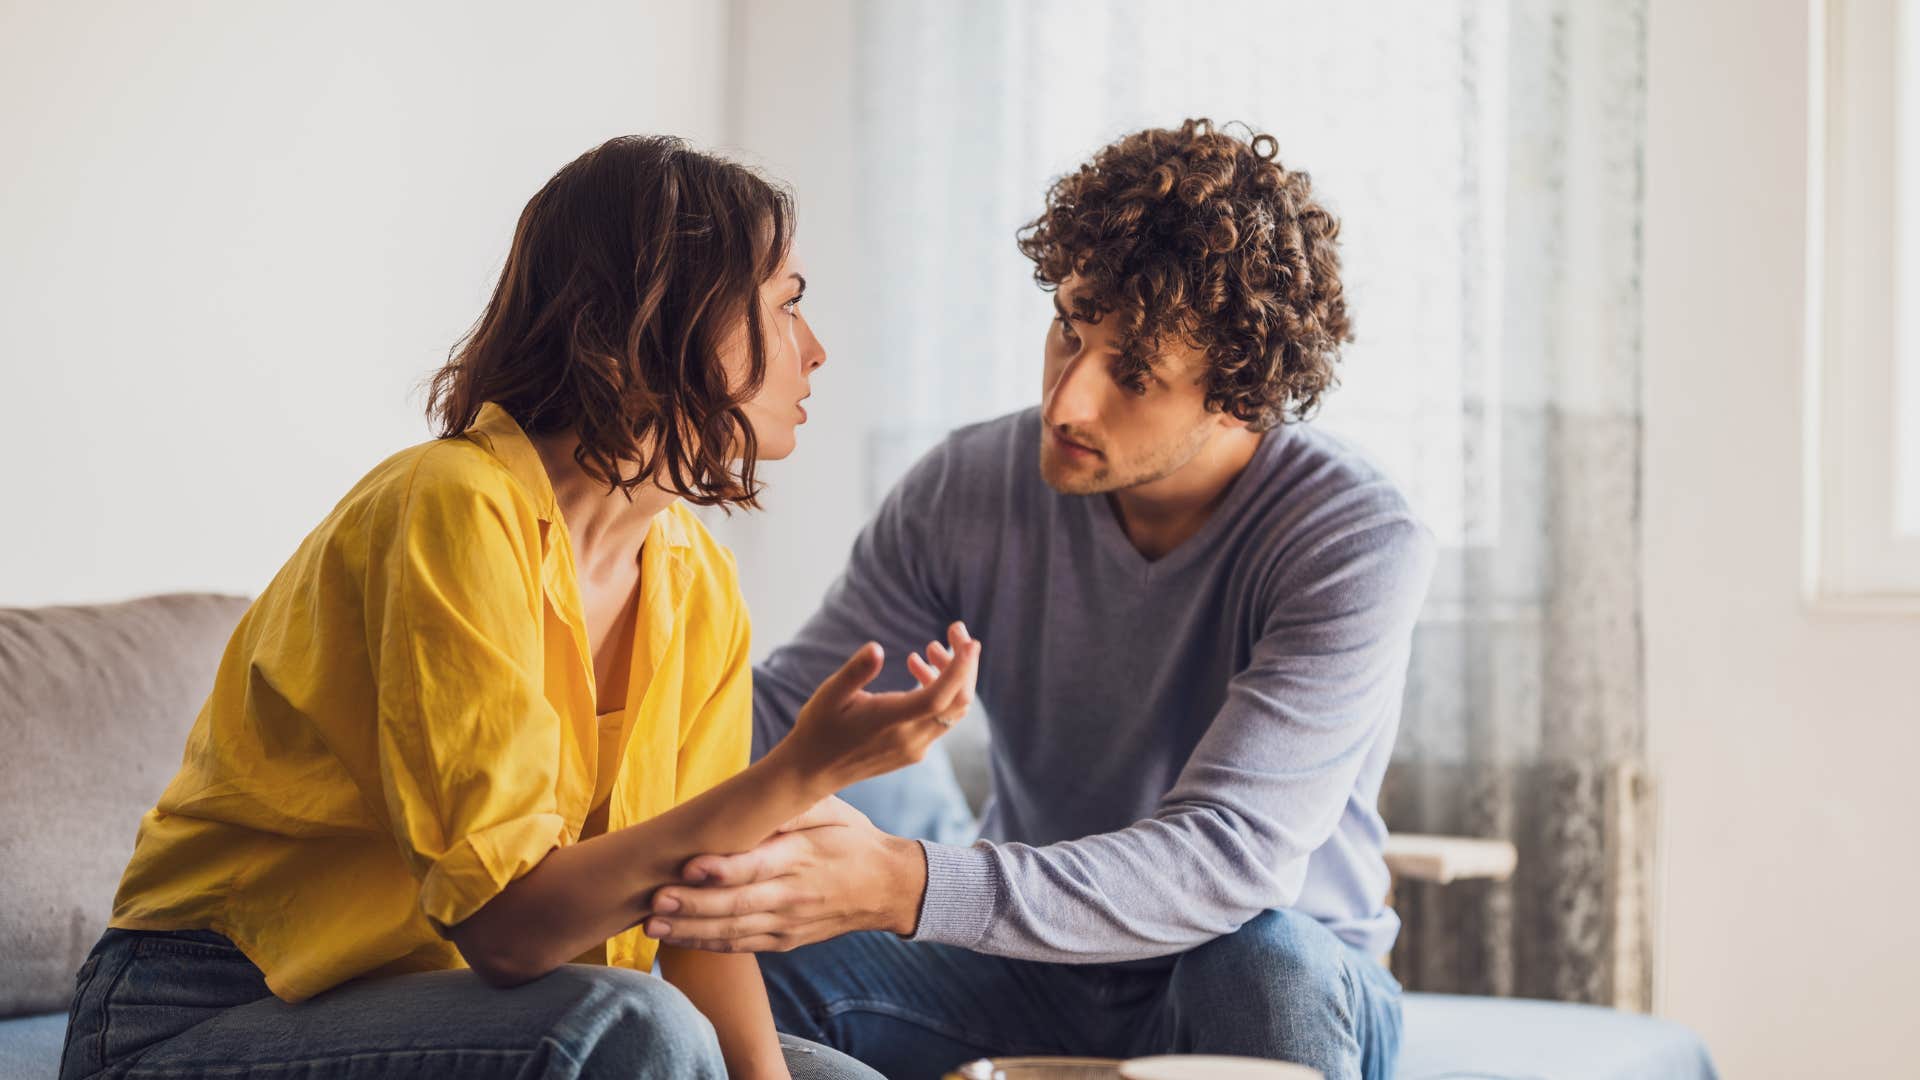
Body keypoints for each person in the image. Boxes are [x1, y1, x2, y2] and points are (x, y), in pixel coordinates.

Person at [59, 135, 979, 1080]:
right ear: (667, 313)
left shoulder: (695, 578)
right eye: (787, 304)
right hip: (200, 1011)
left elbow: (696, 916)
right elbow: (507, 928)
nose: (815, 350)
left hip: (451, 1008)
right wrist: (801, 770)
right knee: (632, 1028)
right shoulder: (451, 506)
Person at [638, 120, 1436, 1080]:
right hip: (1031, 972)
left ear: (1238, 396)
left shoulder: (1352, 535)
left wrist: (905, 881)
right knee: (710, 944)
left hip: (1264, 974)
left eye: (1132, 374)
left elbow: (1226, 860)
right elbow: (777, 717)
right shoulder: (968, 484)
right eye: (1070, 325)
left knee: (1263, 957)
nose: (1066, 401)